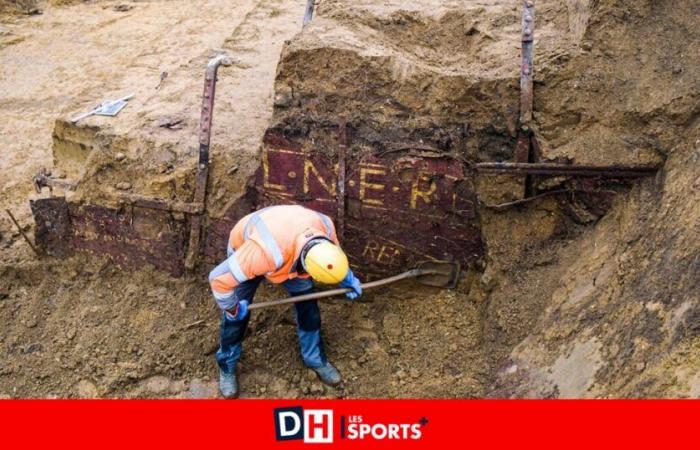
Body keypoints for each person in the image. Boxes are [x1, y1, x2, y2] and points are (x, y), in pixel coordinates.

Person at [208, 204, 363, 398]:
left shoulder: (326, 227)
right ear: (303, 267)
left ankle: (314, 359)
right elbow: (218, 280)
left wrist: (346, 277)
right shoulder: (261, 255)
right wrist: (232, 309)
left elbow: (333, 259)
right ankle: (227, 365)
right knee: (236, 320)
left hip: (289, 236)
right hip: (250, 242)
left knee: (309, 311)